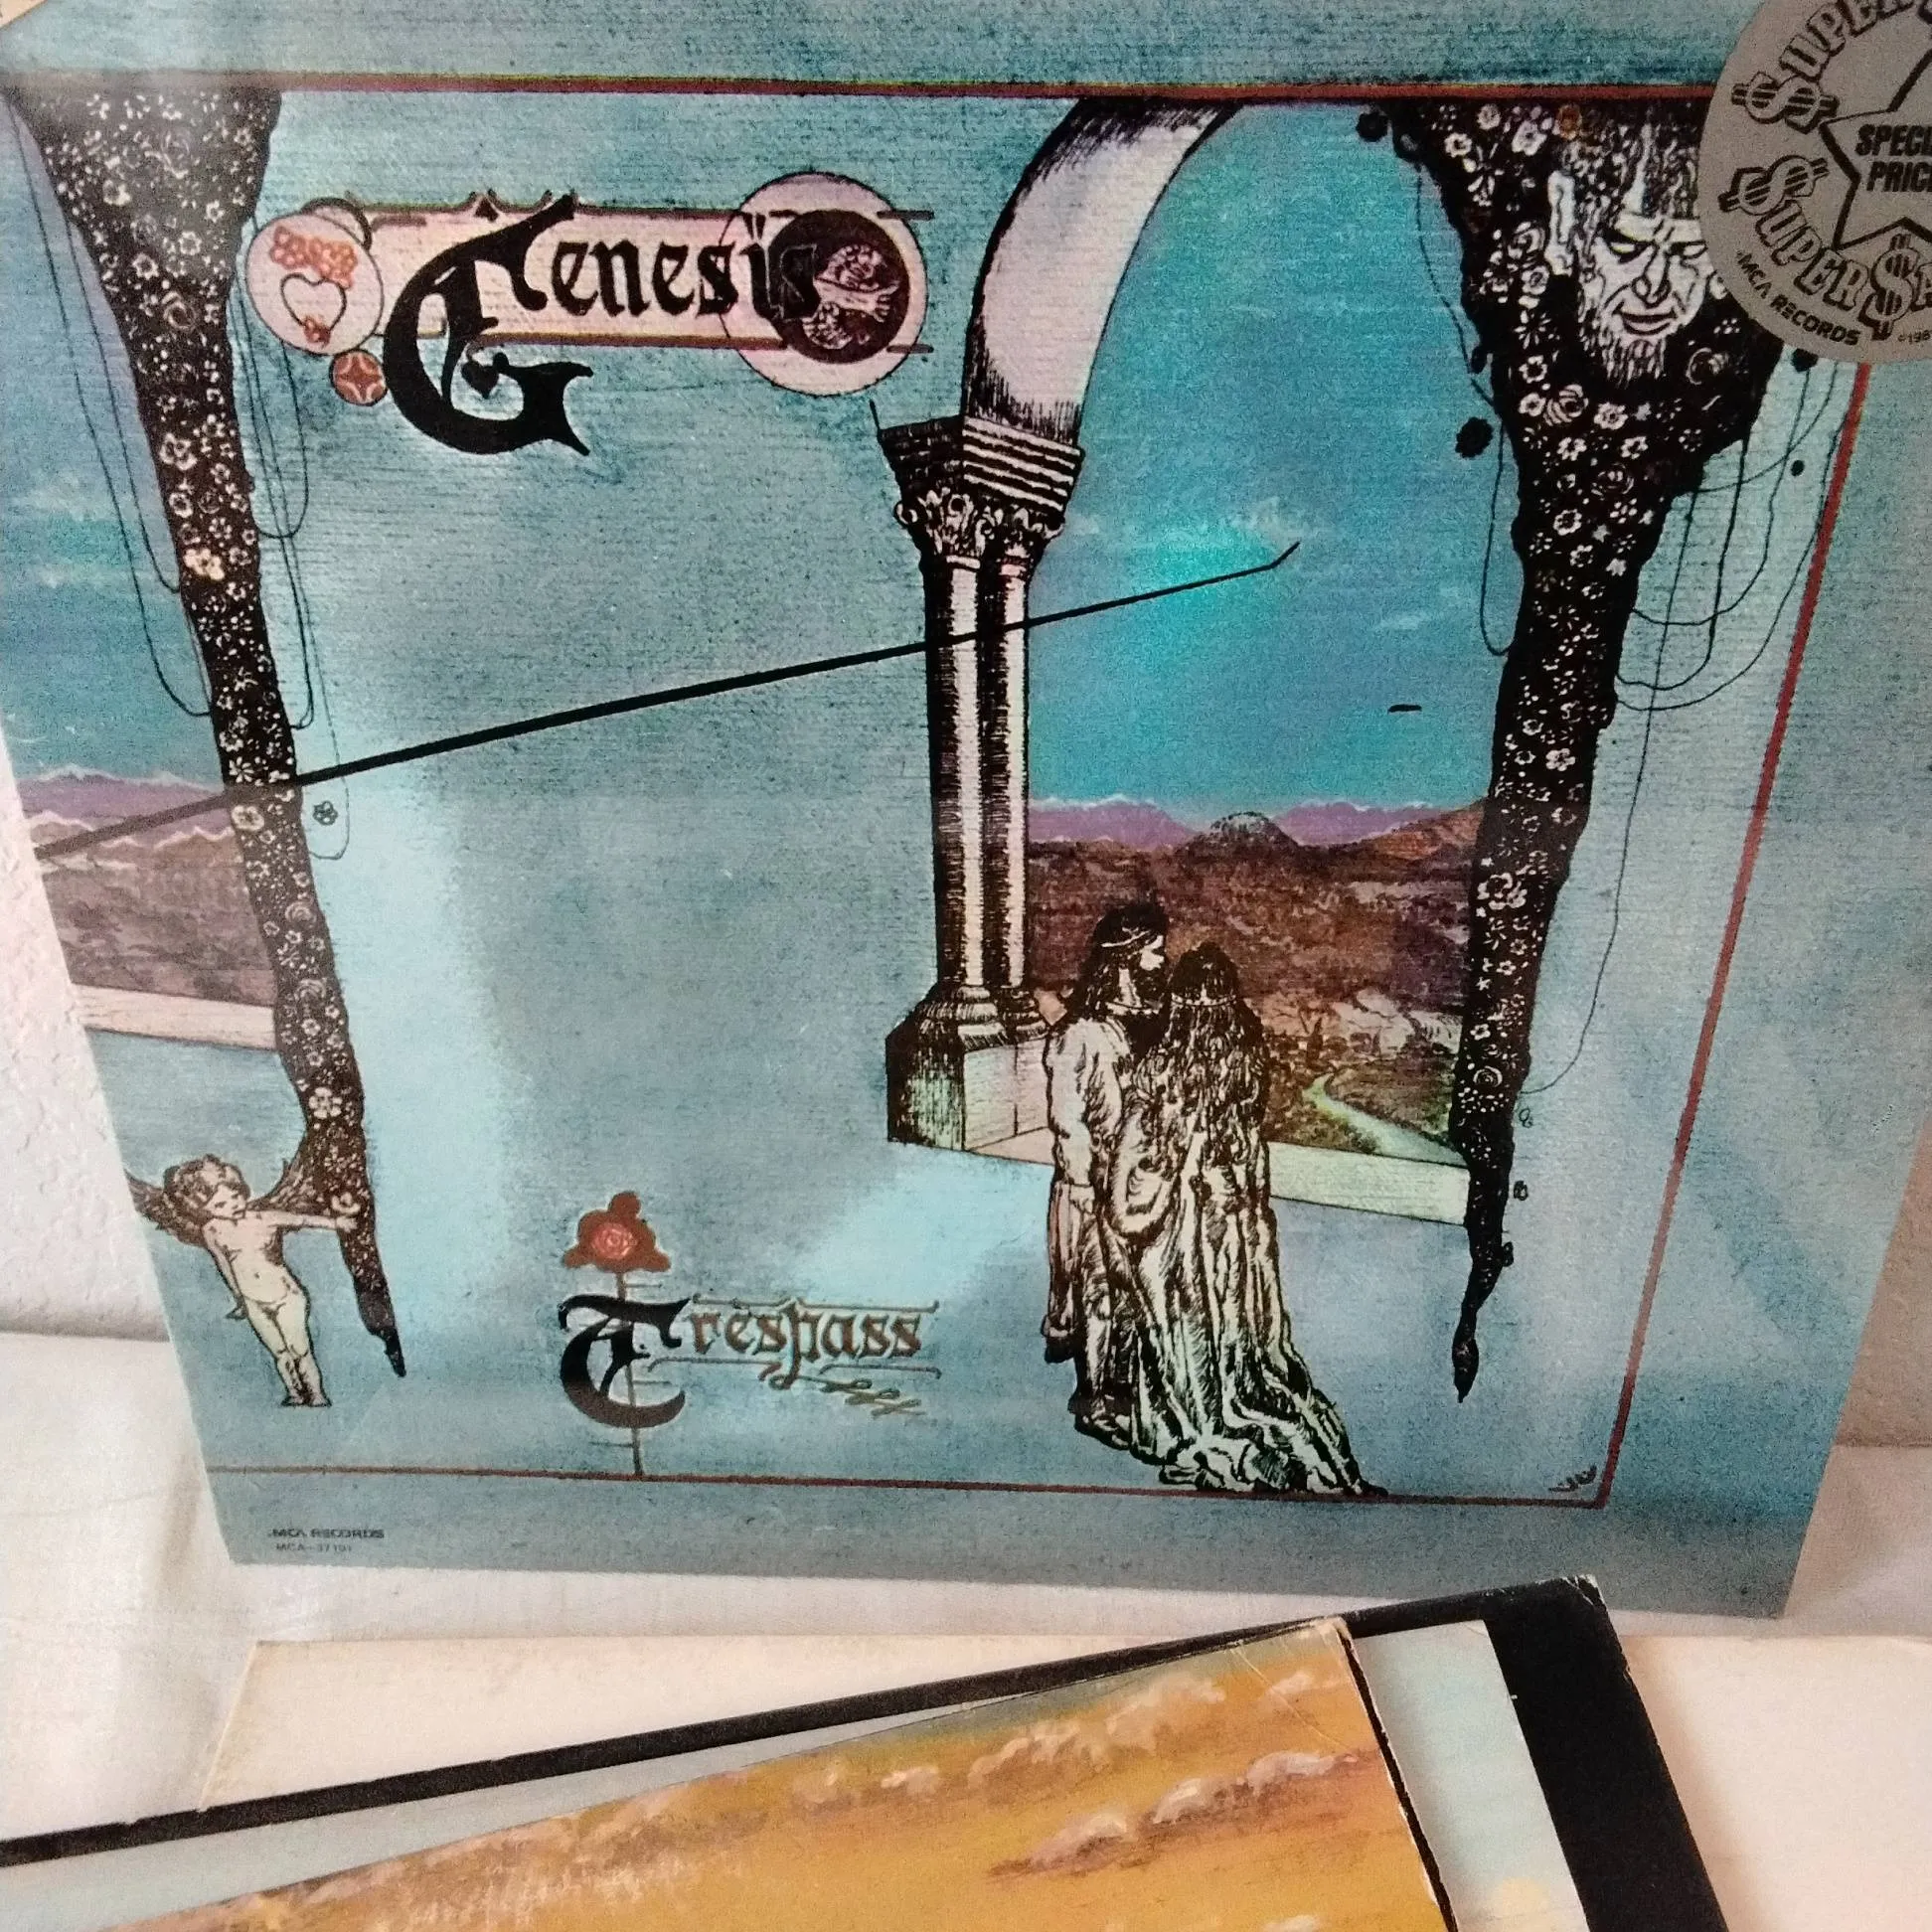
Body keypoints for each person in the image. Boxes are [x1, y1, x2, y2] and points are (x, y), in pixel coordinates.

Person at [1106, 945, 1368, 1495]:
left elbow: (1133, 1155)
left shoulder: (1158, 1067)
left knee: (1177, 1327)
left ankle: (1188, 1425)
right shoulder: (1244, 1063)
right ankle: (1231, 1409)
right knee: (1228, 1322)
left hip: (1175, 1224)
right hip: (1228, 1221)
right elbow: (1251, 1156)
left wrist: (1131, 1207)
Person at [1042, 901, 1169, 1447]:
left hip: (1134, 1188)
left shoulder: (1143, 1022)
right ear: (1127, 957)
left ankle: (1123, 1391)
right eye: (1154, 951)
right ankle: (1093, 1402)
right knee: (1097, 1293)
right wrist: (1092, 1182)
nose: (1162, 960)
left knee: (1135, 1295)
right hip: (1090, 1190)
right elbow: (1067, 1122)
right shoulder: (1079, 1034)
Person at [131, 1155, 353, 1406]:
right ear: (203, 1210)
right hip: (253, 1301)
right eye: (220, 1204)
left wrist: (336, 1223)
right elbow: (224, 1265)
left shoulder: (264, 1218)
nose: (233, 1205)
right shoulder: (211, 1231)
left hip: (285, 1296)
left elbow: (302, 1219)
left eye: (236, 1196)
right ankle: (294, 1393)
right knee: (279, 1352)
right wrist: (239, 1297)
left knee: (299, 1349)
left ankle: (316, 1394)